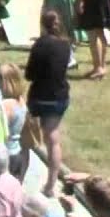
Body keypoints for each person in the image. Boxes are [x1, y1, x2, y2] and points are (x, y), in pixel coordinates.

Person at [26, 10, 72, 197]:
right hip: (58, 95)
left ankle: (21, 174)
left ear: (42, 24)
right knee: (53, 139)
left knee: (26, 137)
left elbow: (29, 74)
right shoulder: (66, 45)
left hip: (39, 96)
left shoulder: (40, 45)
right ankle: (51, 184)